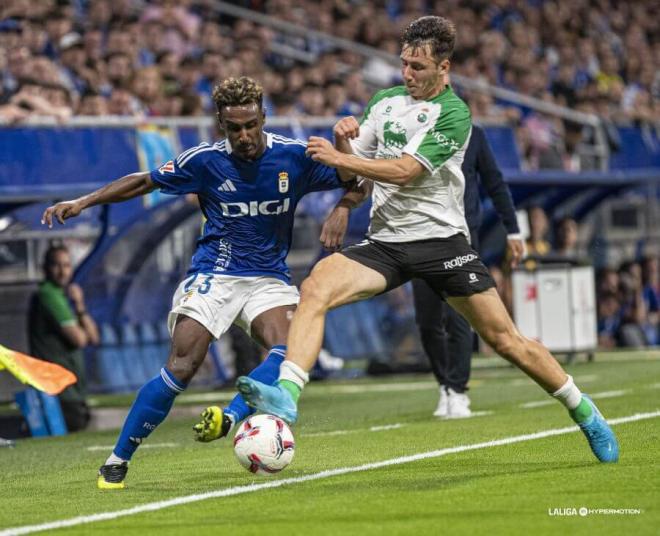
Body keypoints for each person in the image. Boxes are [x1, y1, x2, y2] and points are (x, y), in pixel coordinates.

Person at [235, 16, 619, 464]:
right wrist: (344, 148)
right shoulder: (384, 102)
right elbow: (354, 175)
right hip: (386, 244)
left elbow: (404, 171)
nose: (407, 75)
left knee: (506, 341)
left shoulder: (455, 114)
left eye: (418, 67)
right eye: (404, 64)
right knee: (317, 284)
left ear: (444, 67)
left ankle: (585, 411)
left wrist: (344, 157)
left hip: (442, 244)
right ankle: (287, 393)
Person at [41, 76, 360, 489]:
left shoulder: (295, 157)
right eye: (234, 128)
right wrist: (83, 202)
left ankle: (228, 417)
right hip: (215, 273)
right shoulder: (204, 161)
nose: (244, 136)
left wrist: (343, 209)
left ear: (263, 117)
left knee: (291, 348)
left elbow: (358, 181)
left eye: (250, 125)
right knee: (182, 366)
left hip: (268, 278)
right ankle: (117, 459)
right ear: (220, 126)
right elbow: (144, 181)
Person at [323, 124, 524, 418]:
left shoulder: (471, 132)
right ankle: (444, 383)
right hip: (419, 236)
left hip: (460, 235)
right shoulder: (409, 128)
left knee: (458, 316)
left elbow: (494, 182)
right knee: (428, 319)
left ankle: (458, 389)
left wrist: (514, 230)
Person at [28, 244, 100, 432]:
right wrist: (81, 326)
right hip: (59, 392)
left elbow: (94, 337)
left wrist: (79, 305)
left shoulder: (62, 295)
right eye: (57, 265)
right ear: (45, 268)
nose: (63, 271)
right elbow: (80, 339)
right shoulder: (48, 295)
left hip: (71, 391)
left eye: (67, 265)